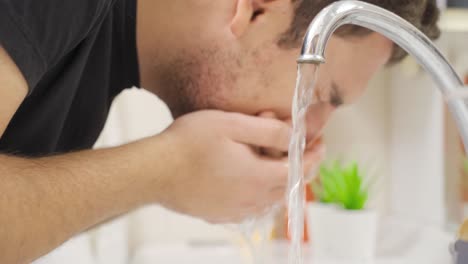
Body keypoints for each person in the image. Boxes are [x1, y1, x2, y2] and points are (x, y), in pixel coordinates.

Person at [0, 0, 439, 262]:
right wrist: (164, 169)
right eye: (319, 95)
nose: (307, 130)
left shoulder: (102, 62)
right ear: (255, 9)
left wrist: (169, 180)